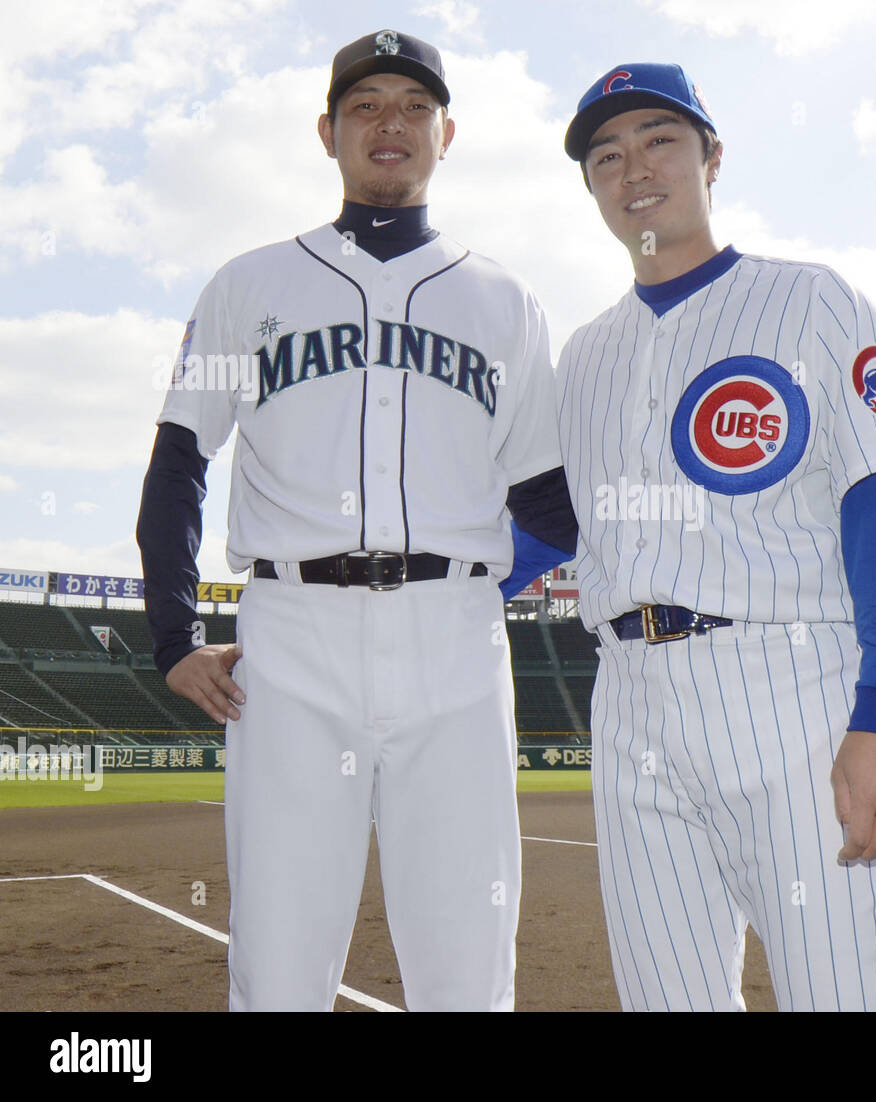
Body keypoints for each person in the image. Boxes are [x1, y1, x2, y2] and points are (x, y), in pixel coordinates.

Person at [136, 30, 575, 1012]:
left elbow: (549, 501)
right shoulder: (248, 282)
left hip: (456, 643)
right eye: (367, 104)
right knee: (280, 961)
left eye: (413, 107)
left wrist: (469, 594)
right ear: (328, 131)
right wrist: (173, 633)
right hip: (293, 639)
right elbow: (178, 462)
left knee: (467, 963)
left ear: (445, 133)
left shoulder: (505, 299)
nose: (391, 123)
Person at [556, 63, 876, 1011]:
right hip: (628, 699)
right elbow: (543, 528)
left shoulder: (812, 301)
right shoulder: (580, 356)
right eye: (606, 154)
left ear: (712, 156)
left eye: (659, 138)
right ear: (591, 184)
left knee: (844, 996)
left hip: (790, 688)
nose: (633, 166)